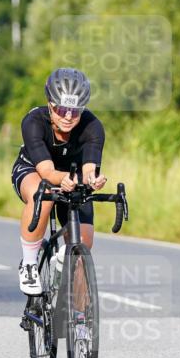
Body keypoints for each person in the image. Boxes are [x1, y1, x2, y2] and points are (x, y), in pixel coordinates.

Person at [12, 68, 107, 295]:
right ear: (50, 104)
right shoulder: (34, 121)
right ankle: (29, 264)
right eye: (62, 109)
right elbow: (46, 171)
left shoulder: (93, 126)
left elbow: (89, 168)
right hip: (34, 169)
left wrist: (92, 180)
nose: (68, 116)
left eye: (75, 111)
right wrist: (65, 178)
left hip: (72, 177)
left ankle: (79, 313)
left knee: (82, 250)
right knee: (43, 194)